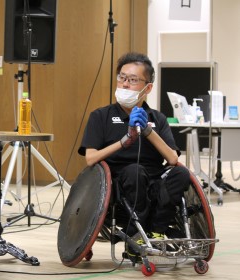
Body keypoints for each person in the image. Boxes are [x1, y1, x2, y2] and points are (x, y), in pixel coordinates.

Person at [78, 52, 190, 260]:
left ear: (148, 88)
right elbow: (91, 158)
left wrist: (148, 131)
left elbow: (173, 159)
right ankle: (135, 234)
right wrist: (124, 141)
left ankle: (156, 230)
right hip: (119, 185)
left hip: (155, 182)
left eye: (133, 80)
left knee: (181, 173)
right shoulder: (101, 116)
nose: (125, 84)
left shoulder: (157, 118)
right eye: (122, 77)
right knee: (134, 171)